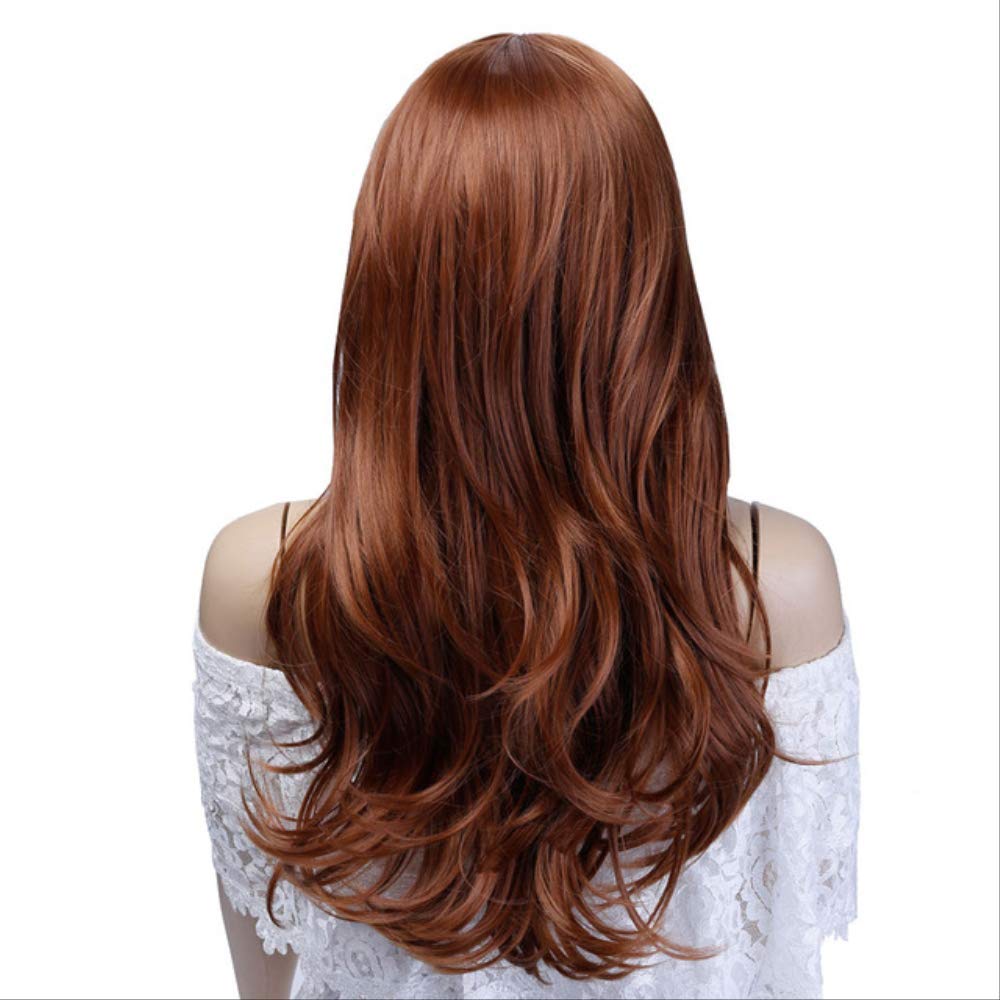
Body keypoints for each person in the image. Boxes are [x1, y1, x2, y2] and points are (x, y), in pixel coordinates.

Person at [193, 32, 858, 1000]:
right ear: (645, 275)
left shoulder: (269, 577)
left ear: (392, 270)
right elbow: (785, 953)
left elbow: (268, 974)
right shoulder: (771, 579)